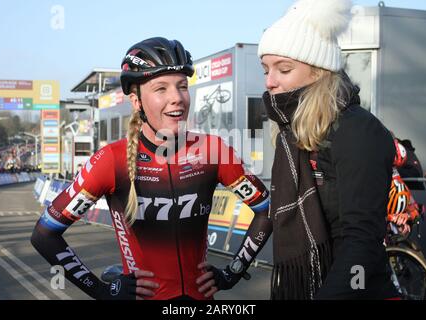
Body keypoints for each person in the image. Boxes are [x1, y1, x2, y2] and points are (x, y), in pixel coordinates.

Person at [31, 37, 272, 300]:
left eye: (182, 86)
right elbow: (45, 235)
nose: (177, 98)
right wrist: (102, 291)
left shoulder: (212, 150)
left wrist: (233, 272)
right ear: (136, 101)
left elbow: (266, 211)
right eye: (161, 89)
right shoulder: (112, 159)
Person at [257, 0, 399, 299]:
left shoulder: (357, 130)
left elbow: (362, 240)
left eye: (283, 69)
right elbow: (272, 216)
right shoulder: (292, 132)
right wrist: (230, 271)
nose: (270, 82)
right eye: (265, 69)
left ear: (319, 72)